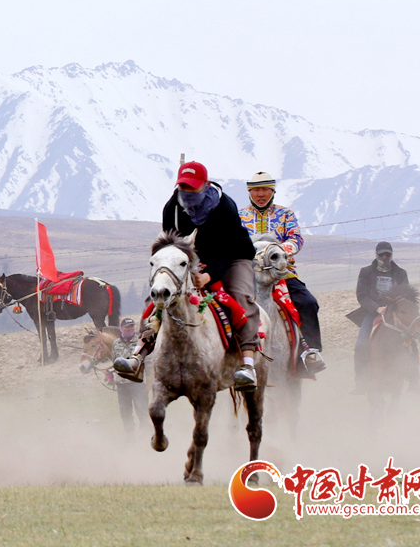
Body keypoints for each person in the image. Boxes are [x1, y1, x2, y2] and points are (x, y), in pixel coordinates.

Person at [113, 161, 261, 391]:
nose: (187, 192)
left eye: (192, 187)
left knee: (240, 296)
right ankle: (138, 354)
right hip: (190, 257)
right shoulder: (171, 208)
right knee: (158, 295)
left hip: (233, 256)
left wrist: (208, 276)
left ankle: (248, 364)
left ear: (206, 185)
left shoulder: (225, 207)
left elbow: (225, 251)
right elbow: (170, 246)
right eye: (183, 187)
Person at [238, 171, 325, 374]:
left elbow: (296, 239)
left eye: (265, 189)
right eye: (256, 190)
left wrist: (278, 251)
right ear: (250, 192)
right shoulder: (239, 216)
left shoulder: (285, 214)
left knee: (308, 303)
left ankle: (310, 352)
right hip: (248, 274)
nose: (261, 194)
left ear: (273, 191)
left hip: (281, 274)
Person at [347, 241, 410, 394]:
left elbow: (406, 295)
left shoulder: (401, 273)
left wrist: (393, 308)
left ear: (392, 255)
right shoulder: (366, 272)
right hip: (373, 313)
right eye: (382, 254)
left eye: (388, 254)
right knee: (360, 345)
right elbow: (362, 296)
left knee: (411, 344)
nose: (385, 257)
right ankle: (361, 383)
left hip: (395, 315)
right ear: (376, 255)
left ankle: (414, 381)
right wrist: (377, 308)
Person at [110, 317, 150, 435]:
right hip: (122, 385)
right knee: (125, 412)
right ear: (121, 328)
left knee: (142, 410)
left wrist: (148, 383)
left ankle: (146, 434)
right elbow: (114, 360)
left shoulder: (141, 342)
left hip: (137, 384)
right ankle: (129, 434)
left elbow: (149, 363)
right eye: (126, 327)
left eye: (131, 327)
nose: (129, 329)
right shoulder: (116, 344)